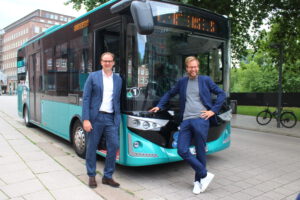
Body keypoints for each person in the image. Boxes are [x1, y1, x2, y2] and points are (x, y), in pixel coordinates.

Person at [149, 56, 225, 194]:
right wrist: (159, 106)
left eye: (195, 66)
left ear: (198, 67)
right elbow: (169, 93)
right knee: (182, 150)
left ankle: (198, 182)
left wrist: (213, 111)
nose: (193, 69)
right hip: (186, 121)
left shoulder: (205, 80)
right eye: (191, 67)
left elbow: (221, 94)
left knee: (200, 151)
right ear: (187, 68)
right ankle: (204, 173)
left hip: (201, 120)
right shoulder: (182, 82)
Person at [82, 52, 122, 188]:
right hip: (95, 117)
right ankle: (91, 175)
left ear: (113, 63)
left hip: (111, 117)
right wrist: (86, 119)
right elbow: (86, 98)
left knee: (114, 146)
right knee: (92, 147)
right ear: (101, 62)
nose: (107, 63)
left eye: (109, 61)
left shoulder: (118, 79)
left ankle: (108, 176)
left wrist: (118, 118)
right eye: (105, 61)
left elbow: (117, 100)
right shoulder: (93, 77)